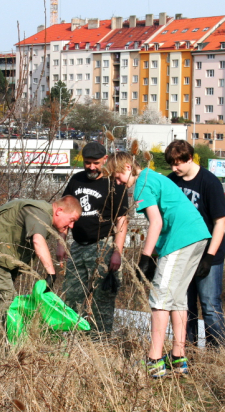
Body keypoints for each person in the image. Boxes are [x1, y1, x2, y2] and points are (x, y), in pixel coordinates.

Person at [105, 152, 211, 378]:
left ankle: (155, 361)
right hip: (198, 235)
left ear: (126, 167)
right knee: (178, 299)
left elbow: (156, 221)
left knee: (160, 298)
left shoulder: (141, 183)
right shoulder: (153, 177)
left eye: (116, 177)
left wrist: (145, 258)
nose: (116, 182)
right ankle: (179, 358)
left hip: (181, 239)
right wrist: (154, 255)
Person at [0, 196, 82, 348]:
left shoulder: (42, 213)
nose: (72, 226)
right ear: (59, 211)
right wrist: (51, 274)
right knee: (5, 306)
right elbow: (37, 241)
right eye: (71, 220)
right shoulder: (40, 212)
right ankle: (2, 356)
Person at [58, 142, 129, 335]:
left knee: (102, 299)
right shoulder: (76, 180)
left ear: (105, 160)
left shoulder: (114, 183)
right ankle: (71, 337)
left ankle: (101, 341)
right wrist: (61, 243)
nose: (91, 167)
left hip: (102, 247)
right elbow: (63, 211)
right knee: (71, 296)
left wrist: (117, 252)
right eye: (87, 162)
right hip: (78, 246)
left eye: (96, 163)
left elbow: (122, 219)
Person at [165, 140, 225, 348]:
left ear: (189, 158)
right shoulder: (171, 181)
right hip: (182, 253)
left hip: (209, 252)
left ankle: (216, 353)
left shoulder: (210, 183)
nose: (174, 169)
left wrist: (209, 257)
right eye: (171, 165)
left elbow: (220, 222)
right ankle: (187, 352)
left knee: (210, 305)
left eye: (178, 164)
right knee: (185, 305)